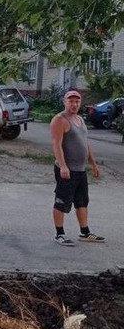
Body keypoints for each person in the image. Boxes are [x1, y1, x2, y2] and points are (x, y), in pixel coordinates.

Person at [50, 89, 105, 246]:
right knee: (62, 201)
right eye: (71, 101)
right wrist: (63, 166)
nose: (74, 104)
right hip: (67, 170)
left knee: (82, 201)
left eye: (77, 101)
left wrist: (93, 164)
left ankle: (85, 232)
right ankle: (59, 234)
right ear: (64, 102)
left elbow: (86, 144)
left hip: (80, 170)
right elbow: (56, 144)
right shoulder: (60, 120)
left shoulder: (80, 119)